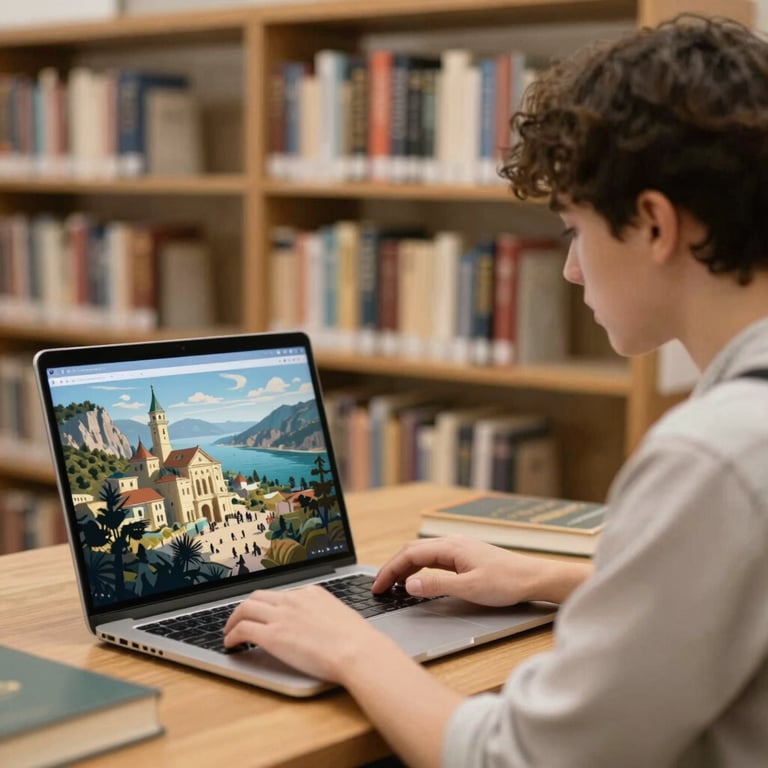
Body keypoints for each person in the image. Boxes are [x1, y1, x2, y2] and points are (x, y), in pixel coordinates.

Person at [224, 14, 768, 767]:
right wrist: (551, 577)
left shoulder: (713, 457)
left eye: (575, 227)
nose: (573, 270)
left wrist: (351, 647)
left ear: (652, 224)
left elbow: (516, 760)